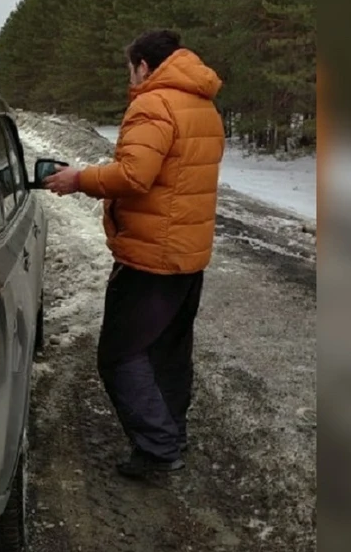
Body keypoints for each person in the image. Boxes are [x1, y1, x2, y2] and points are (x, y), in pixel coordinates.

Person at [44, 29, 225, 478]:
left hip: (150, 256)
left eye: (131, 67)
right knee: (168, 352)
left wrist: (78, 178)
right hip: (187, 252)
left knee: (120, 355)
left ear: (144, 65)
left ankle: (158, 450)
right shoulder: (201, 103)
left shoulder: (154, 102)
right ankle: (171, 435)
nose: (131, 75)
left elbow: (135, 175)